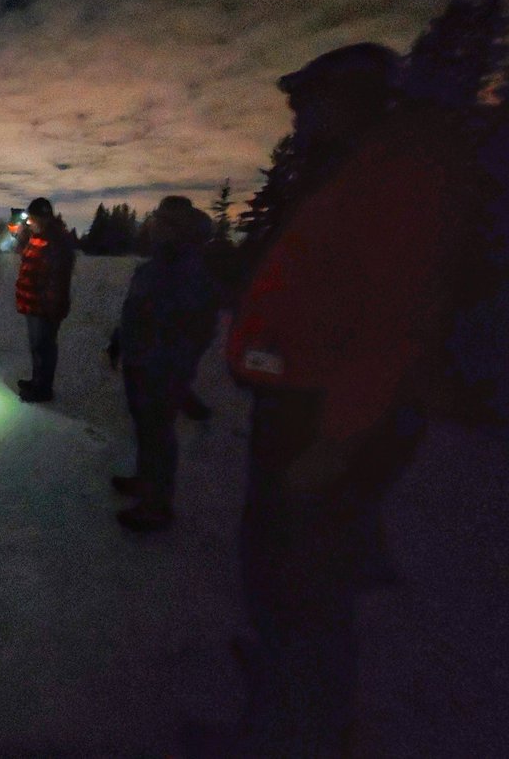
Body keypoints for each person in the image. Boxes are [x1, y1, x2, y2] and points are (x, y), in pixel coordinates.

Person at [201, 42, 476, 756]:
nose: (295, 114)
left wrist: (338, 441)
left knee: (304, 583)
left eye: (306, 100)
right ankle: (285, 690)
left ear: (349, 98)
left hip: (324, 417)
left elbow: (399, 319)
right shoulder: (355, 170)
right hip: (301, 404)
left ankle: (293, 729)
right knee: (281, 570)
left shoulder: (399, 175)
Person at [108, 196, 217, 532]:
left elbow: (196, 327)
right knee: (145, 429)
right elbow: (135, 309)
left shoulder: (189, 270)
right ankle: (145, 482)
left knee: (158, 433)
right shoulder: (156, 266)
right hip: (140, 360)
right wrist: (119, 340)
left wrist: (175, 371)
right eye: (156, 219)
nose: (154, 226)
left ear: (177, 227)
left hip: (161, 367)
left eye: (162, 221)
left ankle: (157, 506)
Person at [14, 197, 75, 402]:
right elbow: (25, 256)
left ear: (43, 218)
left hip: (45, 305)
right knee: (37, 346)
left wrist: (51, 305)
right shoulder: (37, 236)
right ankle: (37, 380)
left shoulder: (56, 240)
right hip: (33, 302)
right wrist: (22, 237)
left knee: (44, 347)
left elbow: (57, 277)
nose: (29, 223)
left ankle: (43, 389)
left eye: (32, 219)